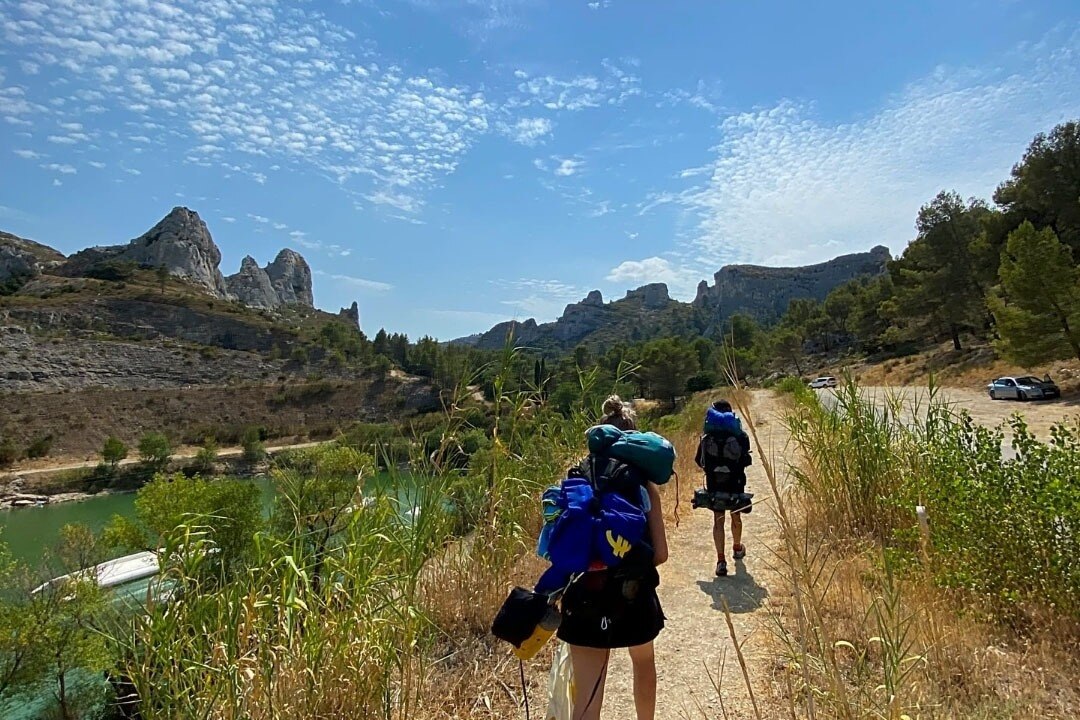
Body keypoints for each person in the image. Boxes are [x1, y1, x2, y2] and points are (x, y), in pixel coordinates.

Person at [556, 397, 669, 720]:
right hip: (633, 594)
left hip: (583, 593)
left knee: (588, 698)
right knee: (643, 661)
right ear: (634, 440)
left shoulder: (576, 480)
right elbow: (660, 554)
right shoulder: (643, 485)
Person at [694, 399, 752, 577]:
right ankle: (737, 548)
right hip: (735, 483)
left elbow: (699, 461)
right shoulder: (740, 436)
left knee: (718, 520)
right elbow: (746, 460)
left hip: (714, 484)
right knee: (736, 517)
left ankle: (720, 561)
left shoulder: (707, 438)